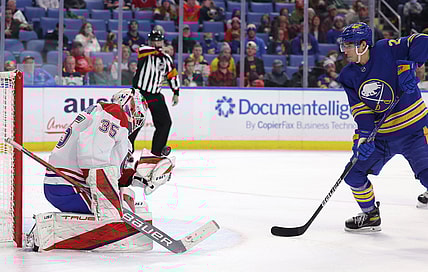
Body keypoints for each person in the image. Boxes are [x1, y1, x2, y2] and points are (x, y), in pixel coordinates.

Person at [31, 88, 174, 251]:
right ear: (127, 104)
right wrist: (108, 202)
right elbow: (92, 156)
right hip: (68, 187)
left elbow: (114, 172)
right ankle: (49, 232)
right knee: (119, 214)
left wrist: (141, 177)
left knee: (127, 198)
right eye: (135, 111)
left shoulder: (108, 120)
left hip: (65, 185)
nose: (137, 118)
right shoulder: (113, 112)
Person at [336, 22, 428, 232]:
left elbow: (422, 41)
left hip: (414, 131)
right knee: (352, 174)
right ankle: (370, 215)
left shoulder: (388, 48)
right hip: (382, 137)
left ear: (363, 45)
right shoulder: (348, 76)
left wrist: (409, 65)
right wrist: (363, 139)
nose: (345, 50)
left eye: (349, 45)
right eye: (344, 45)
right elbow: (361, 112)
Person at [131, 30, 180, 156]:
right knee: (135, 123)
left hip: (155, 95)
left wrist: (176, 91)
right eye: (154, 40)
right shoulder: (144, 51)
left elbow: (172, 75)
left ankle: (157, 153)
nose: (156, 43)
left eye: (159, 40)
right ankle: (125, 152)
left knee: (165, 122)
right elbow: (142, 50)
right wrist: (160, 50)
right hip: (140, 94)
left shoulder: (166, 58)